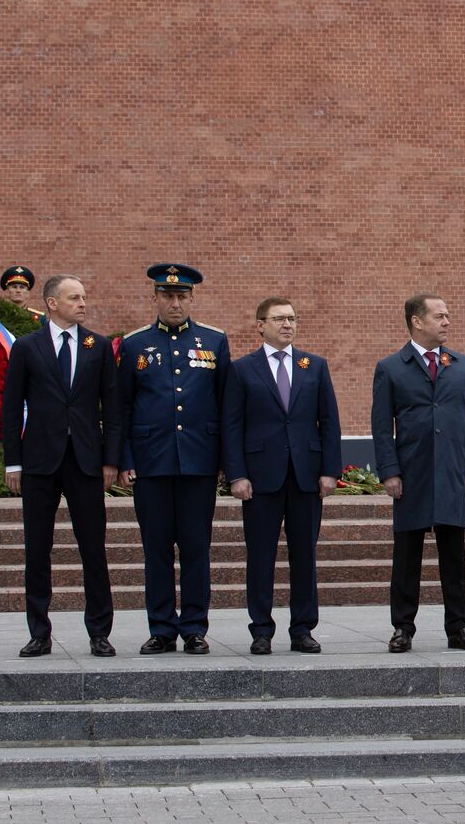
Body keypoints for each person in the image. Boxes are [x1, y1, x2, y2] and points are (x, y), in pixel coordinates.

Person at [1, 274, 120, 658]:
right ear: (52, 303)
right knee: (37, 548)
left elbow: (113, 409)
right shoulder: (26, 347)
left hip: (85, 461)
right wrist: (13, 463)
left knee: (93, 550)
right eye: (74, 297)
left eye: (84, 297)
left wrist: (110, 460)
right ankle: (39, 632)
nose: (83, 303)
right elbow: (9, 408)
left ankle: (99, 632)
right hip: (38, 460)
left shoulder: (97, 347)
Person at [116, 264, 230, 656]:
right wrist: (126, 458)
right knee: (158, 550)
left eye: (182, 296)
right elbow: (124, 408)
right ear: (155, 299)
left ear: (191, 299)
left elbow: (225, 407)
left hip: (199, 462)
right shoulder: (134, 345)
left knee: (197, 548)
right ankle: (162, 628)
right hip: (151, 463)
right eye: (167, 296)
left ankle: (195, 627)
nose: (175, 303)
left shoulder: (214, 342)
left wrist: (225, 462)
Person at [221, 297, 340, 656]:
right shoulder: (242, 369)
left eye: (292, 318)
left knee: (305, 555)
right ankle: (261, 629)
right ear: (260, 325)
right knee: (261, 556)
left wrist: (329, 471)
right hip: (260, 478)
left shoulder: (314, 366)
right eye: (279, 319)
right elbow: (232, 425)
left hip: (305, 475)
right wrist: (237, 475)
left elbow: (329, 422)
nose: (287, 324)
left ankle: (302, 628)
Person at [372, 293, 465, 653]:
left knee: (454, 556)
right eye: (439, 316)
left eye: (448, 316)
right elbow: (381, 427)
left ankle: (458, 627)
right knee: (406, 556)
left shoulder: (462, 365)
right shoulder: (391, 367)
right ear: (416, 321)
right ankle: (402, 628)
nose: (446, 322)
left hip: (452, 471)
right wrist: (390, 471)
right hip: (412, 473)